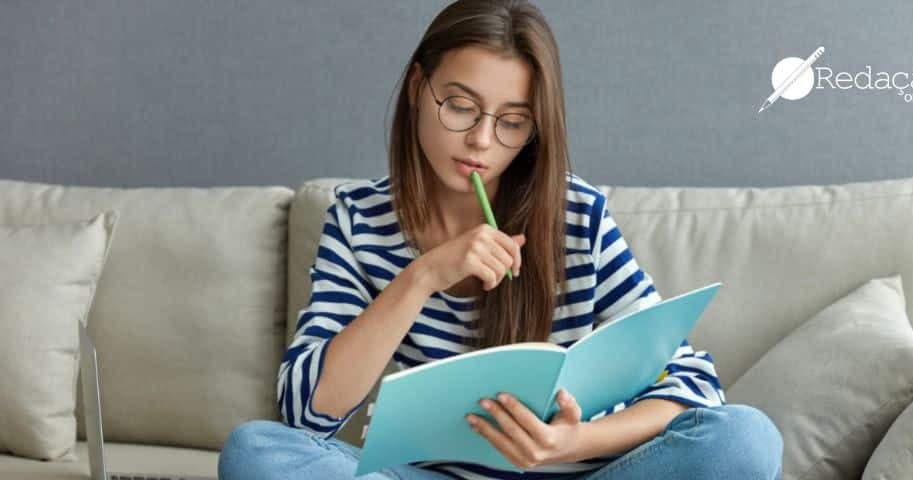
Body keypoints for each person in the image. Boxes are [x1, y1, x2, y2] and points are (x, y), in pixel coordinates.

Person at [218, 1, 783, 478]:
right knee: (256, 453)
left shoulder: (574, 213)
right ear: (418, 88)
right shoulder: (358, 220)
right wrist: (422, 277)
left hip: (578, 469)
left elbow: (694, 383)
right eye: (460, 106)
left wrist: (573, 443)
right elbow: (304, 415)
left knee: (743, 439)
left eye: (512, 120)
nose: (481, 141)